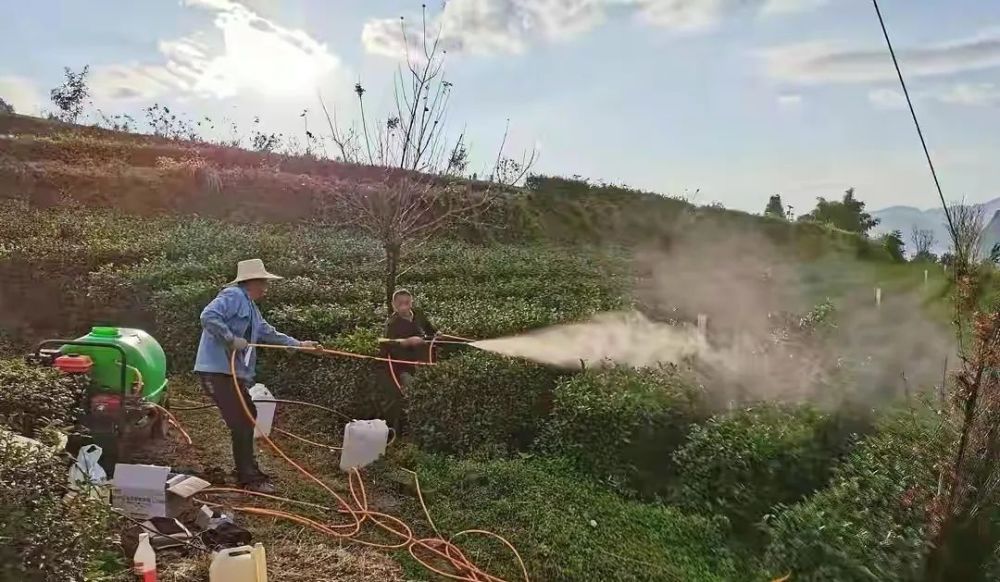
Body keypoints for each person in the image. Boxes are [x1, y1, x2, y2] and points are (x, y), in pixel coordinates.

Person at [194, 258, 320, 493]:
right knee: (241, 420)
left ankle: (247, 468)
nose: (266, 287)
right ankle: (248, 477)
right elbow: (208, 316)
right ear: (251, 281)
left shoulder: (251, 307)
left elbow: (266, 332)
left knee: (248, 414)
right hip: (217, 371)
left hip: (231, 373)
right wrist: (230, 338)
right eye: (263, 281)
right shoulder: (232, 296)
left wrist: (300, 344)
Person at [378, 289, 437, 432]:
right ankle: (415, 428)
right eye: (400, 304)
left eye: (407, 303)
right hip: (404, 367)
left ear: (411, 302)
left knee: (430, 392)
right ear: (394, 305)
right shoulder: (392, 324)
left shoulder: (419, 315)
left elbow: (431, 332)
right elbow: (387, 344)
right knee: (414, 394)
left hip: (424, 362)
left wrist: (436, 335)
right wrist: (405, 342)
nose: (404, 306)